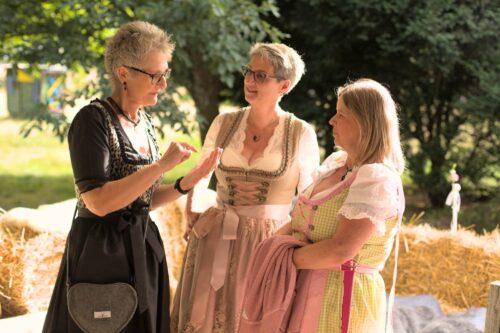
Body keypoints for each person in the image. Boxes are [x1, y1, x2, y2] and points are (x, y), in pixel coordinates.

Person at [42, 21, 221, 333]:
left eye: (165, 74)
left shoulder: (144, 122)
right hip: (101, 252)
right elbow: (98, 202)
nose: (163, 84)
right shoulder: (93, 120)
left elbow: (141, 200)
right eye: (155, 75)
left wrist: (187, 181)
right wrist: (160, 166)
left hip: (141, 247)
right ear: (123, 73)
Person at [170, 43, 320, 332]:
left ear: (284, 85)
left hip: (266, 241)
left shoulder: (300, 133)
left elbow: (309, 198)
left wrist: (292, 246)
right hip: (215, 235)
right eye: (248, 72)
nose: (250, 81)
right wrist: (192, 209)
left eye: (261, 76)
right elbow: (202, 175)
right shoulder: (224, 122)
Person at [283, 78, 406, 332]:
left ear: (365, 123)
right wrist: (265, 250)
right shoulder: (338, 163)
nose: (332, 121)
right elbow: (300, 221)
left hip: (341, 298)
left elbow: (341, 249)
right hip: (307, 288)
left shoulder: (376, 177)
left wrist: (283, 260)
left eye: (341, 115)